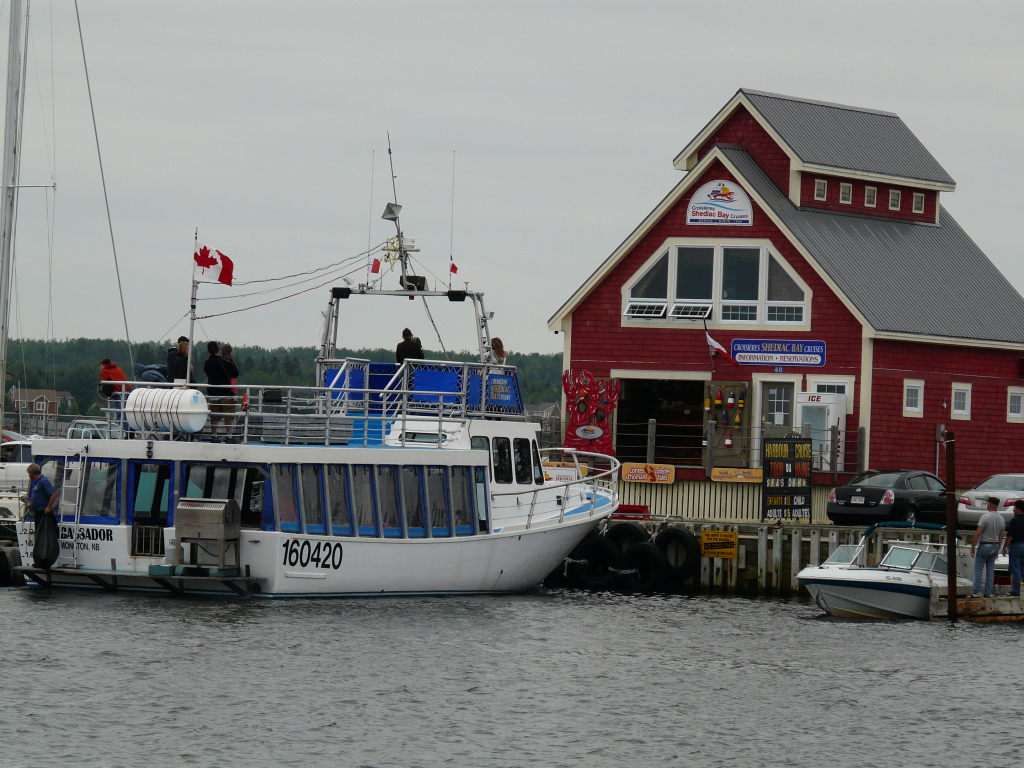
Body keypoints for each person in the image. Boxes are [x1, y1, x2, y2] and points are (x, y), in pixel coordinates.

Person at [970, 496, 1006, 598]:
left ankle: (977, 592)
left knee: (978, 569)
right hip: (995, 545)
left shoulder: (985, 517)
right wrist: (998, 548)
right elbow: (1001, 535)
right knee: (990, 570)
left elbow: (978, 534)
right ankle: (988, 592)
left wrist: (973, 547)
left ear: (989, 505)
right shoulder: (1001, 519)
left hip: (985, 544)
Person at [204, 340, 239, 441]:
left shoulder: (207, 363)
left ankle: (214, 435)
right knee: (228, 416)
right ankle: (229, 436)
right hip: (225, 393)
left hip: (212, 393)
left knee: (214, 417)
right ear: (218, 350)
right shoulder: (224, 363)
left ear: (208, 351)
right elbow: (235, 373)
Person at [1002, 499, 1024, 596]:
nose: (1013, 510)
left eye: (1014, 508)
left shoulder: (1014, 521)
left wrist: (1004, 547)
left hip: (1016, 546)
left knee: (1015, 568)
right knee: (1023, 568)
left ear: (1019, 509)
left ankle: (1016, 590)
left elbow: (1009, 536)